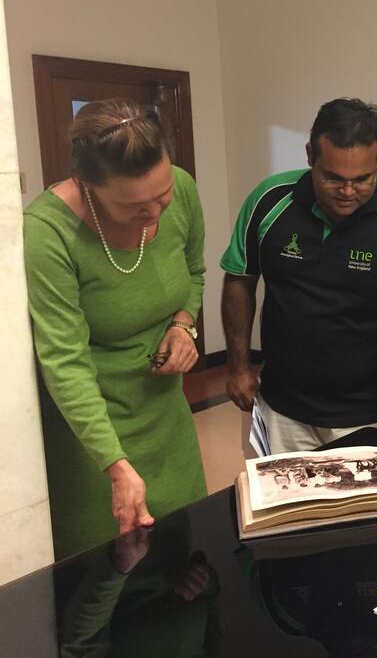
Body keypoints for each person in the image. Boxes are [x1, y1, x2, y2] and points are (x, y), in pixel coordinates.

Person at [23, 98, 207, 559]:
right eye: (134, 206)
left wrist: (184, 326)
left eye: (161, 196)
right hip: (93, 435)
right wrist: (115, 465)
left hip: (166, 416)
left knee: (181, 562)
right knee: (106, 570)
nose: (155, 212)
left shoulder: (180, 187)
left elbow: (195, 271)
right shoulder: (47, 233)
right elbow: (64, 360)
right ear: (87, 186)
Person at [221, 98, 377, 452]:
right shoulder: (269, 201)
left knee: (368, 509)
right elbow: (240, 281)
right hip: (281, 409)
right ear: (310, 155)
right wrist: (238, 367)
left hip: (368, 415)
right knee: (281, 506)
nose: (348, 192)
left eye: (362, 179)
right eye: (333, 178)